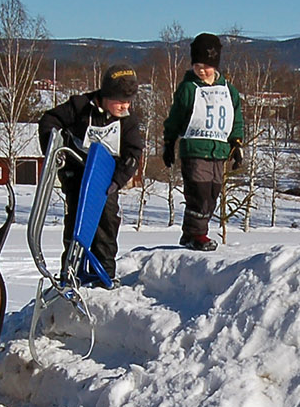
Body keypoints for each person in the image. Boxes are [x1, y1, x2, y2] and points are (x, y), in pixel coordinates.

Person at [38, 65, 143, 284]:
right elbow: (49, 121)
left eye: (128, 102)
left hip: (105, 179)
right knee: (77, 222)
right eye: (120, 101)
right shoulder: (79, 107)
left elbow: (133, 153)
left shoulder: (128, 121)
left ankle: (103, 273)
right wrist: (54, 148)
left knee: (107, 221)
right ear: (106, 95)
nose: (124, 106)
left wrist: (118, 180)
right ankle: (71, 272)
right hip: (76, 174)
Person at [161, 33, 247, 251]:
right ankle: (196, 234)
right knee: (198, 194)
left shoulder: (228, 90)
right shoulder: (188, 89)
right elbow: (175, 117)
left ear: (215, 65)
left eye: (206, 66)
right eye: (197, 66)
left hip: (219, 151)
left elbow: (235, 118)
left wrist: (236, 143)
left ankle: (193, 233)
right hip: (195, 150)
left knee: (212, 195)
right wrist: (169, 142)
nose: (201, 71)